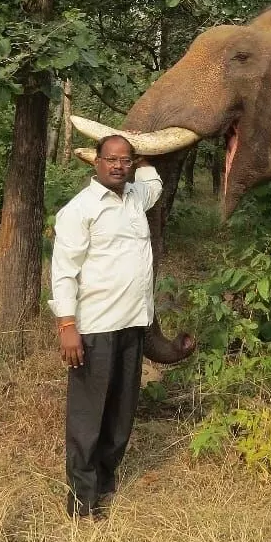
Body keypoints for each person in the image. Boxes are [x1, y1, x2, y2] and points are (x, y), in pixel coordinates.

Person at [50, 134, 174, 518]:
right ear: (96, 162)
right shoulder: (80, 209)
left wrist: (143, 145)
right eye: (110, 159)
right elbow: (64, 272)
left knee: (121, 413)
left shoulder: (137, 197)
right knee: (88, 417)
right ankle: (81, 503)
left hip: (133, 324)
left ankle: (105, 486)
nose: (118, 166)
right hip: (95, 327)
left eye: (125, 160)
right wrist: (67, 325)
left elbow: (154, 182)